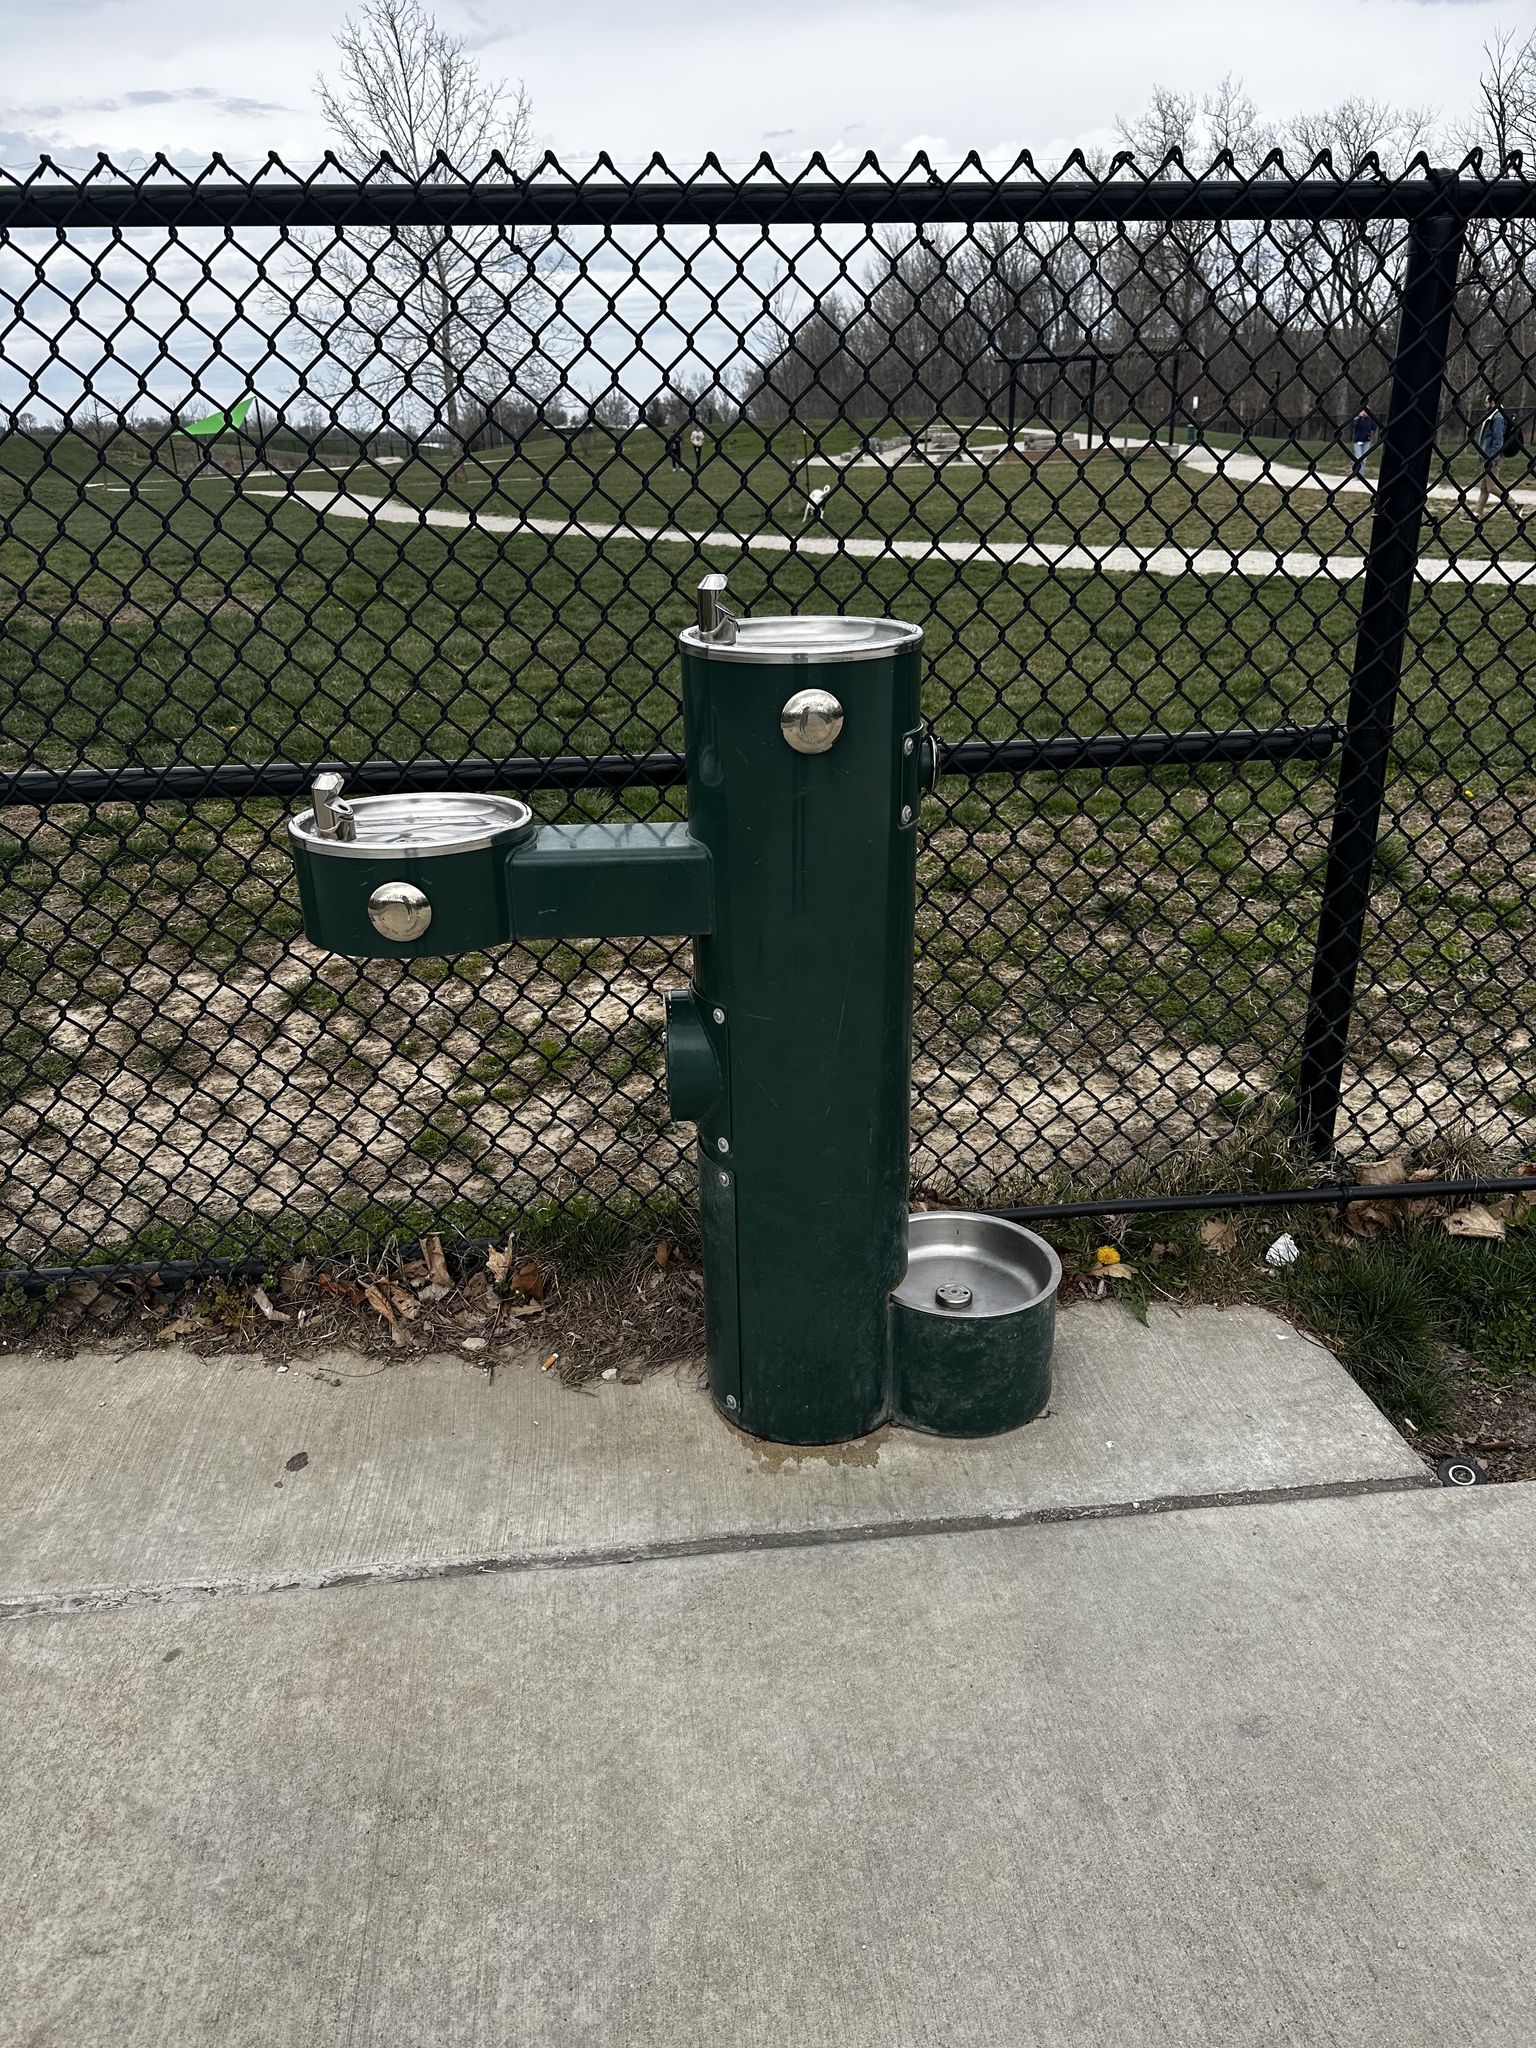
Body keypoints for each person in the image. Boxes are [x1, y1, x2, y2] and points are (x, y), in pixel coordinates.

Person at [1473, 397, 1508, 517]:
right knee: (1483, 488)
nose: (1485, 404)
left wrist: (1492, 459)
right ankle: (1477, 514)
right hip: (1487, 457)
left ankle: (1514, 505)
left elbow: (1498, 441)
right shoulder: (1492, 415)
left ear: (1493, 403)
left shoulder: (1498, 417)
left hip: (1492, 458)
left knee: (1491, 487)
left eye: (1487, 402)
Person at [1349, 403, 1379, 482]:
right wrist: (1359, 417)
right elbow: (1355, 426)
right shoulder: (1357, 419)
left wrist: (1371, 434)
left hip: (1366, 441)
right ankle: (1356, 473)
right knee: (1358, 458)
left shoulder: (1370, 419)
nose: (1364, 412)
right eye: (1363, 410)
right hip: (1358, 440)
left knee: (1364, 459)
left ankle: (1361, 475)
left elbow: (1374, 427)